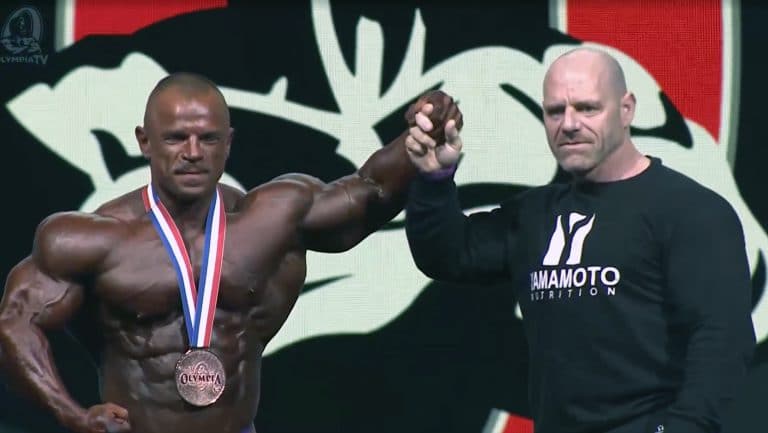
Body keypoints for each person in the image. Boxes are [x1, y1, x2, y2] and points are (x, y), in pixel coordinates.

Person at [0, 73, 461, 433]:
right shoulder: (90, 239)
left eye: (208, 139)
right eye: (176, 138)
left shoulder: (272, 219)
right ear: (144, 141)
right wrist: (72, 415)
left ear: (229, 143)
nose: (192, 152)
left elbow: (370, 191)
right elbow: (16, 324)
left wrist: (421, 138)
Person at [404, 47, 755, 433]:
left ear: (626, 109)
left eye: (587, 108)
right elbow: (448, 255)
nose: (569, 124)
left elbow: (723, 342)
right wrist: (434, 180)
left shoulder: (690, 211)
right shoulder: (534, 214)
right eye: (555, 111)